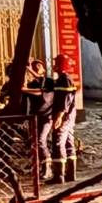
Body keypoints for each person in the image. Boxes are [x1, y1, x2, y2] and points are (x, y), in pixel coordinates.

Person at [22, 59, 55, 178]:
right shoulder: (32, 84)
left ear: (44, 70)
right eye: (34, 65)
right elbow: (24, 90)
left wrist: (29, 69)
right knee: (34, 143)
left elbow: (40, 93)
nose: (36, 67)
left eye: (39, 65)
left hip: (47, 117)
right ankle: (39, 168)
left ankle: (48, 169)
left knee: (41, 140)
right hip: (35, 117)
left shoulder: (49, 82)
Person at [50, 53, 78, 184]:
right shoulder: (65, 79)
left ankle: (58, 176)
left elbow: (64, 101)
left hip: (64, 115)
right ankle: (71, 174)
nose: (54, 65)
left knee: (58, 142)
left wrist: (59, 116)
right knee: (68, 142)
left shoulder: (64, 80)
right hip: (69, 115)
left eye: (56, 63)